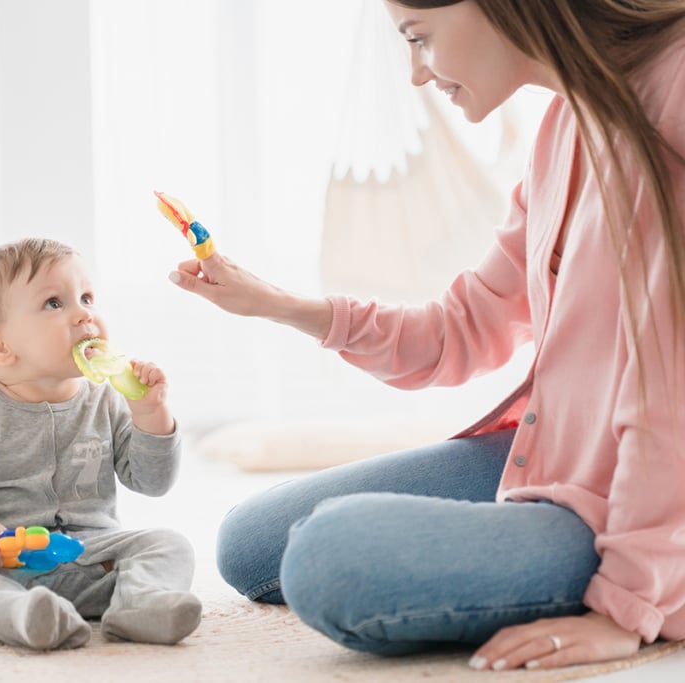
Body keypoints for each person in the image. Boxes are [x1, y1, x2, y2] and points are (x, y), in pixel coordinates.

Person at [168, 0, 685, 672]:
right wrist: (280, 305)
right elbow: (463, 328)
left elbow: (671, 385)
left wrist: (630, 604)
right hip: (573, 460)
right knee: (251, 540)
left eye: (420, 38)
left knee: (333, 559)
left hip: (660, 488)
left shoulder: (670, 89)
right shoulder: (566, 126)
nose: (416, 72)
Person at [0, 237, 201, 650]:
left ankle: (140, 606)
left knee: (169, 543)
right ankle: (26, 616)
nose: (84, 313)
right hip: (8, 561)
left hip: (96, 558)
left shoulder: (105, 400)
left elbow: (152, 482)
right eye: (54, 303)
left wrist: (150, 414)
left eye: (87, 297)